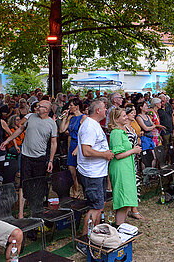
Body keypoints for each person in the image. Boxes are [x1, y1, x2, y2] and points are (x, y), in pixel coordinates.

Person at [1, 99, 57, 218]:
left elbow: (53, 143)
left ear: (46, 110)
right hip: (26, 156)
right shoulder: (31, 117)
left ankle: (35, 212)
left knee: (37, 185)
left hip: (40, 158)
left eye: (40, 106)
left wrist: (51, 160)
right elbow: (20, 129)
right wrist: (8, 140)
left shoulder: (51, 123)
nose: (37, 108)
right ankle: (21, 214)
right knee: (23, 184)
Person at [75, 100, 114, 255]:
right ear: (98, 110)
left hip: (98, 172)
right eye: (105, 108)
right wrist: (104, 154)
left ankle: (95, 237)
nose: (106, 110)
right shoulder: (89, 126)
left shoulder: (94, 124)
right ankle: (85, 242)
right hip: (92, 174)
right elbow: (86, 151)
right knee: (95, 208)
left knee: (100, 205)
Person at [108, 108, 141, 226]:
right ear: (116, 119)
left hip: (126, 167)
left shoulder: (121, 131)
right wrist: (134, 150)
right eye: (123, 116)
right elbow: (117, 155)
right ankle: (119, 227)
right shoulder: (116, 133)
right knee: (123, 200)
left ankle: (120, 226)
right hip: (120, 168)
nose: (126, 117)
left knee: (126, 200)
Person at [59, 98, 86, 198]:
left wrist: (78, 148)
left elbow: (85, 135)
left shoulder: (83, 118)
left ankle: (84, 191)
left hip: (80, 145)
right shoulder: (71, 117)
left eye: (71, 105)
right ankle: (75, 190)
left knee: (81, 171)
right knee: (71, 170)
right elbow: (62, 130)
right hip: (72, 145)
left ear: (77, 106)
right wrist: (65, 117)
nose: (69, 107)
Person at [124, 104, 144, 220]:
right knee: (132, 183)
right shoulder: (124, 129)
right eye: (132, 113)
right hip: (128, 157)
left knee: (136, 182)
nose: (134, 114)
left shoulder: (131, 127)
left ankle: (133, 207)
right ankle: (133, 209)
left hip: (135, 157)